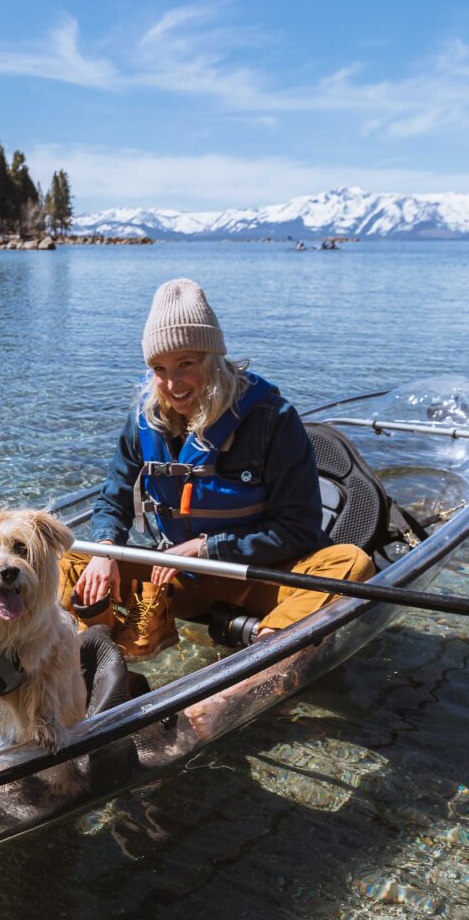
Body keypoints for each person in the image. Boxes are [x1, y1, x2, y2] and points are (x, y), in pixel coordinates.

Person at [58, 277, 374, 670]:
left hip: (260, 576)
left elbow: (300, 528)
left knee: (351, 565)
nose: (172, 385)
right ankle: (98, 660)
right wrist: (104, 550)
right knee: (71, 561)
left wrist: (205, 549)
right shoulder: (144, 419)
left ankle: (263, 663)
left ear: (213, 359)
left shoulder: (273, 420)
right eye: (159, 368)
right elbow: (114, 498)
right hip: (178, 580)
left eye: (185, 365)